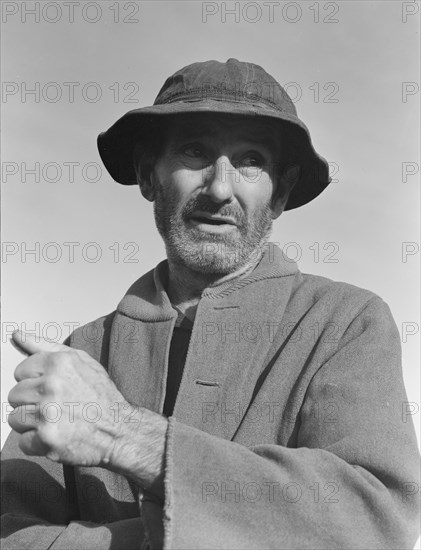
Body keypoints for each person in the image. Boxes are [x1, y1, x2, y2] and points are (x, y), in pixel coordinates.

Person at [1, 58, 419, 550]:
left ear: (280, 192)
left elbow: (378, 517)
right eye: (195, 152)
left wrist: (123, 434)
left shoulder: (346, 323)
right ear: (148, 176)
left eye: (251, 160)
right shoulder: (84, 352)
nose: (220, 188)